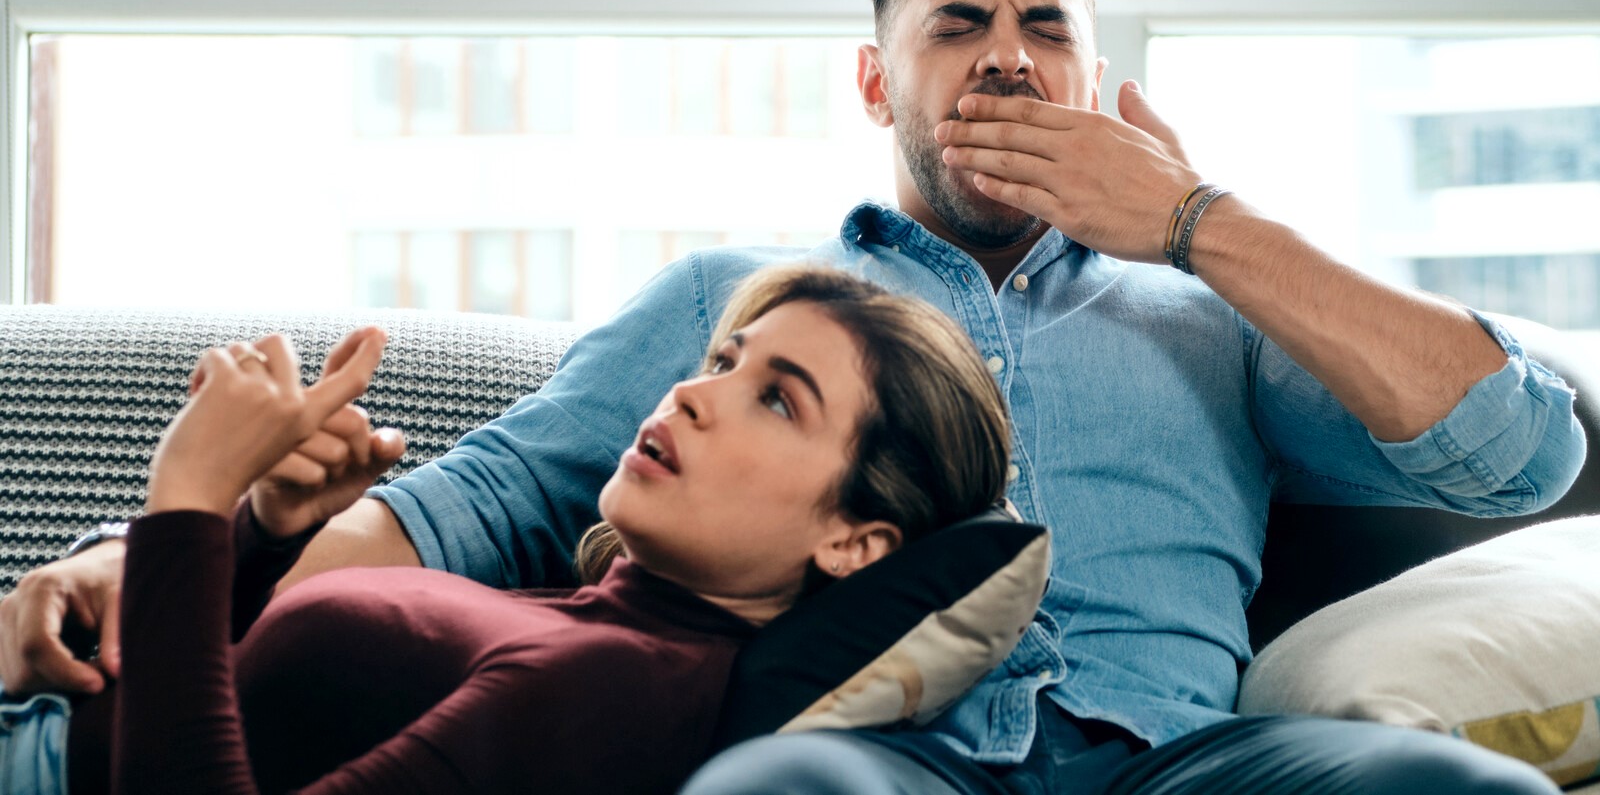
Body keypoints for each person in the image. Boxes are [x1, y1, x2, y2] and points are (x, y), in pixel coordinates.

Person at [1, 0, 1585, 795]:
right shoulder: (735, 303)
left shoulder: (1210, 306)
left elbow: (1521, 451)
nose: (1010, 61)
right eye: (958, 25)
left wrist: (1198, 221)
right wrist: (141, 577)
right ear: (875, 79)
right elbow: (470, 503)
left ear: (1100, 81)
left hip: (1183, 760)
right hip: (884, 755)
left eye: (1049, 30)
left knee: (1456, 794)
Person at [1, 264, 1012, 794]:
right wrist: (264, 530)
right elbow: (254, 709)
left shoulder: (618, 686)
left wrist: (185, 499)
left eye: (778, 400)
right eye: (720, 361)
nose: (694, 395)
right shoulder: (606, 620)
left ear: (855, 542)